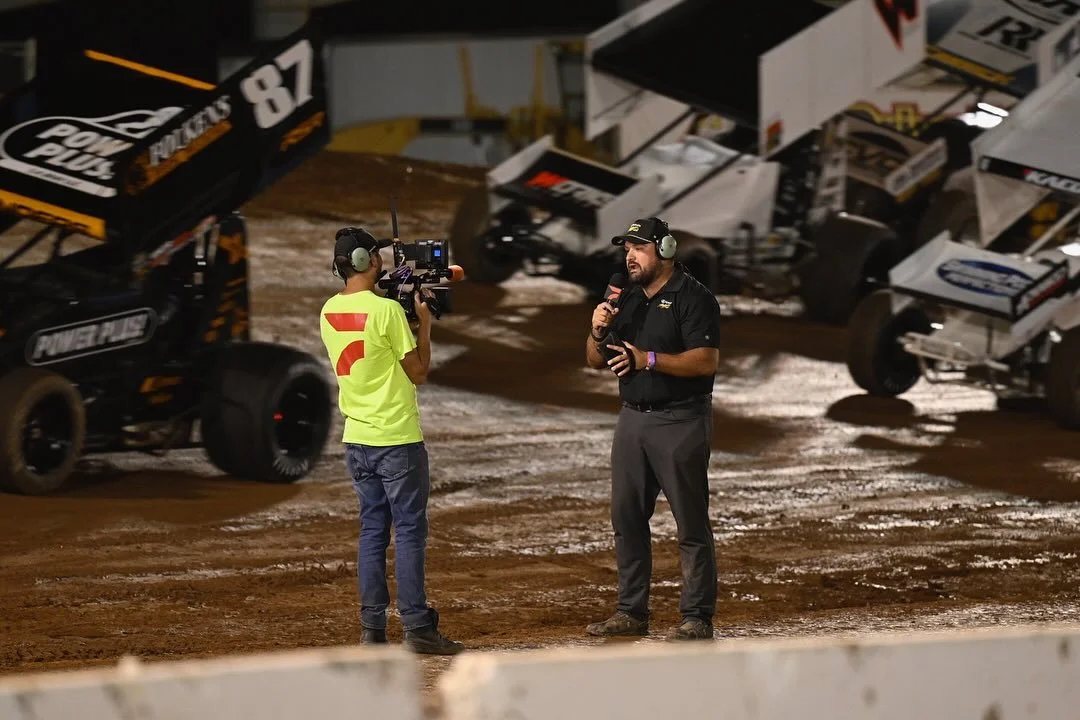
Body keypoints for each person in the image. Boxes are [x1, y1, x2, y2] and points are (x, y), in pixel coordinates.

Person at [319, 226, 463, 655]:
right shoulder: (385, 313)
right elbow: (417, 372)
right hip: (397, 439)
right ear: (366, 261)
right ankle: (417, 627)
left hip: (357, 439)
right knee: (410, 533)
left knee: (372, 532)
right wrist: (423, 325)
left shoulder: (328, 310)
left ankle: (373, 630)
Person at [583, 216, 722, 641]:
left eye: (639, 248)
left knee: (690, 524)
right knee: (626, 518)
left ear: (665, 250)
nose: (630, 256)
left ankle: (696, 617)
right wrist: (597, 330)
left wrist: (649, 360)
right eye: (627, 249)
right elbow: (594, 359)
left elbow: (706, 360)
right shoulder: (624, 297)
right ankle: (631, 612)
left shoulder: (693, 297)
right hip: (632, 419)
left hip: (681, 421)